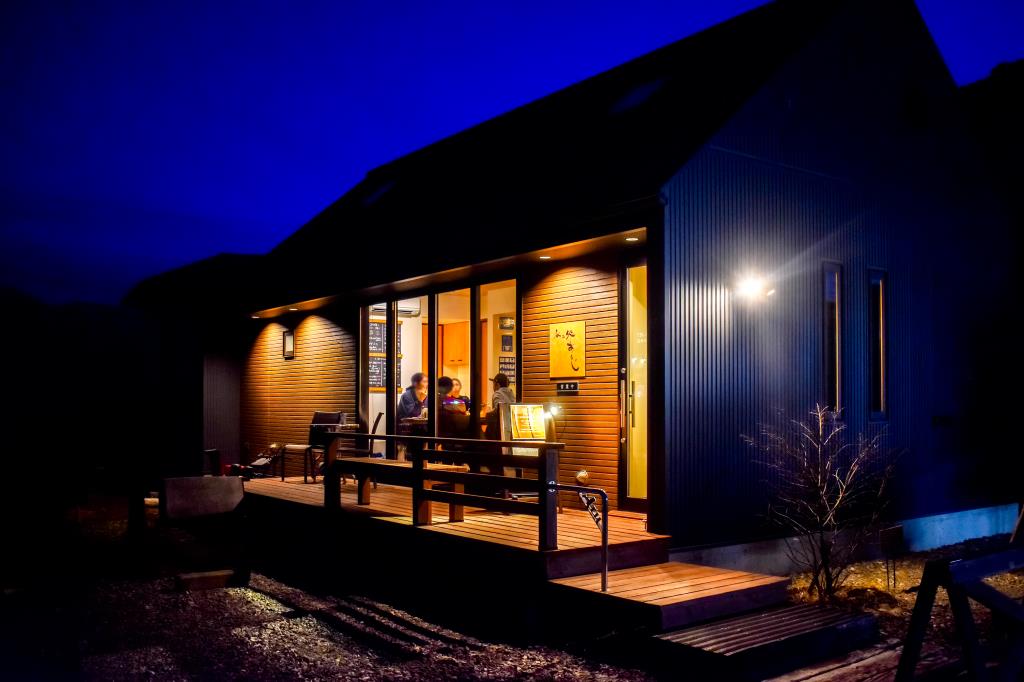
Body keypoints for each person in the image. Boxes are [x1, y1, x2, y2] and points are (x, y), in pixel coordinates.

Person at [484, 373, 516, 439]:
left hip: (501, 430)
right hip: (512, 428)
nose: (493, 387)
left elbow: (499, 411)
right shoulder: (511, 392)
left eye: (493, 384)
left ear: (497, 385)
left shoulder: (497, 393)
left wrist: (488, 413)